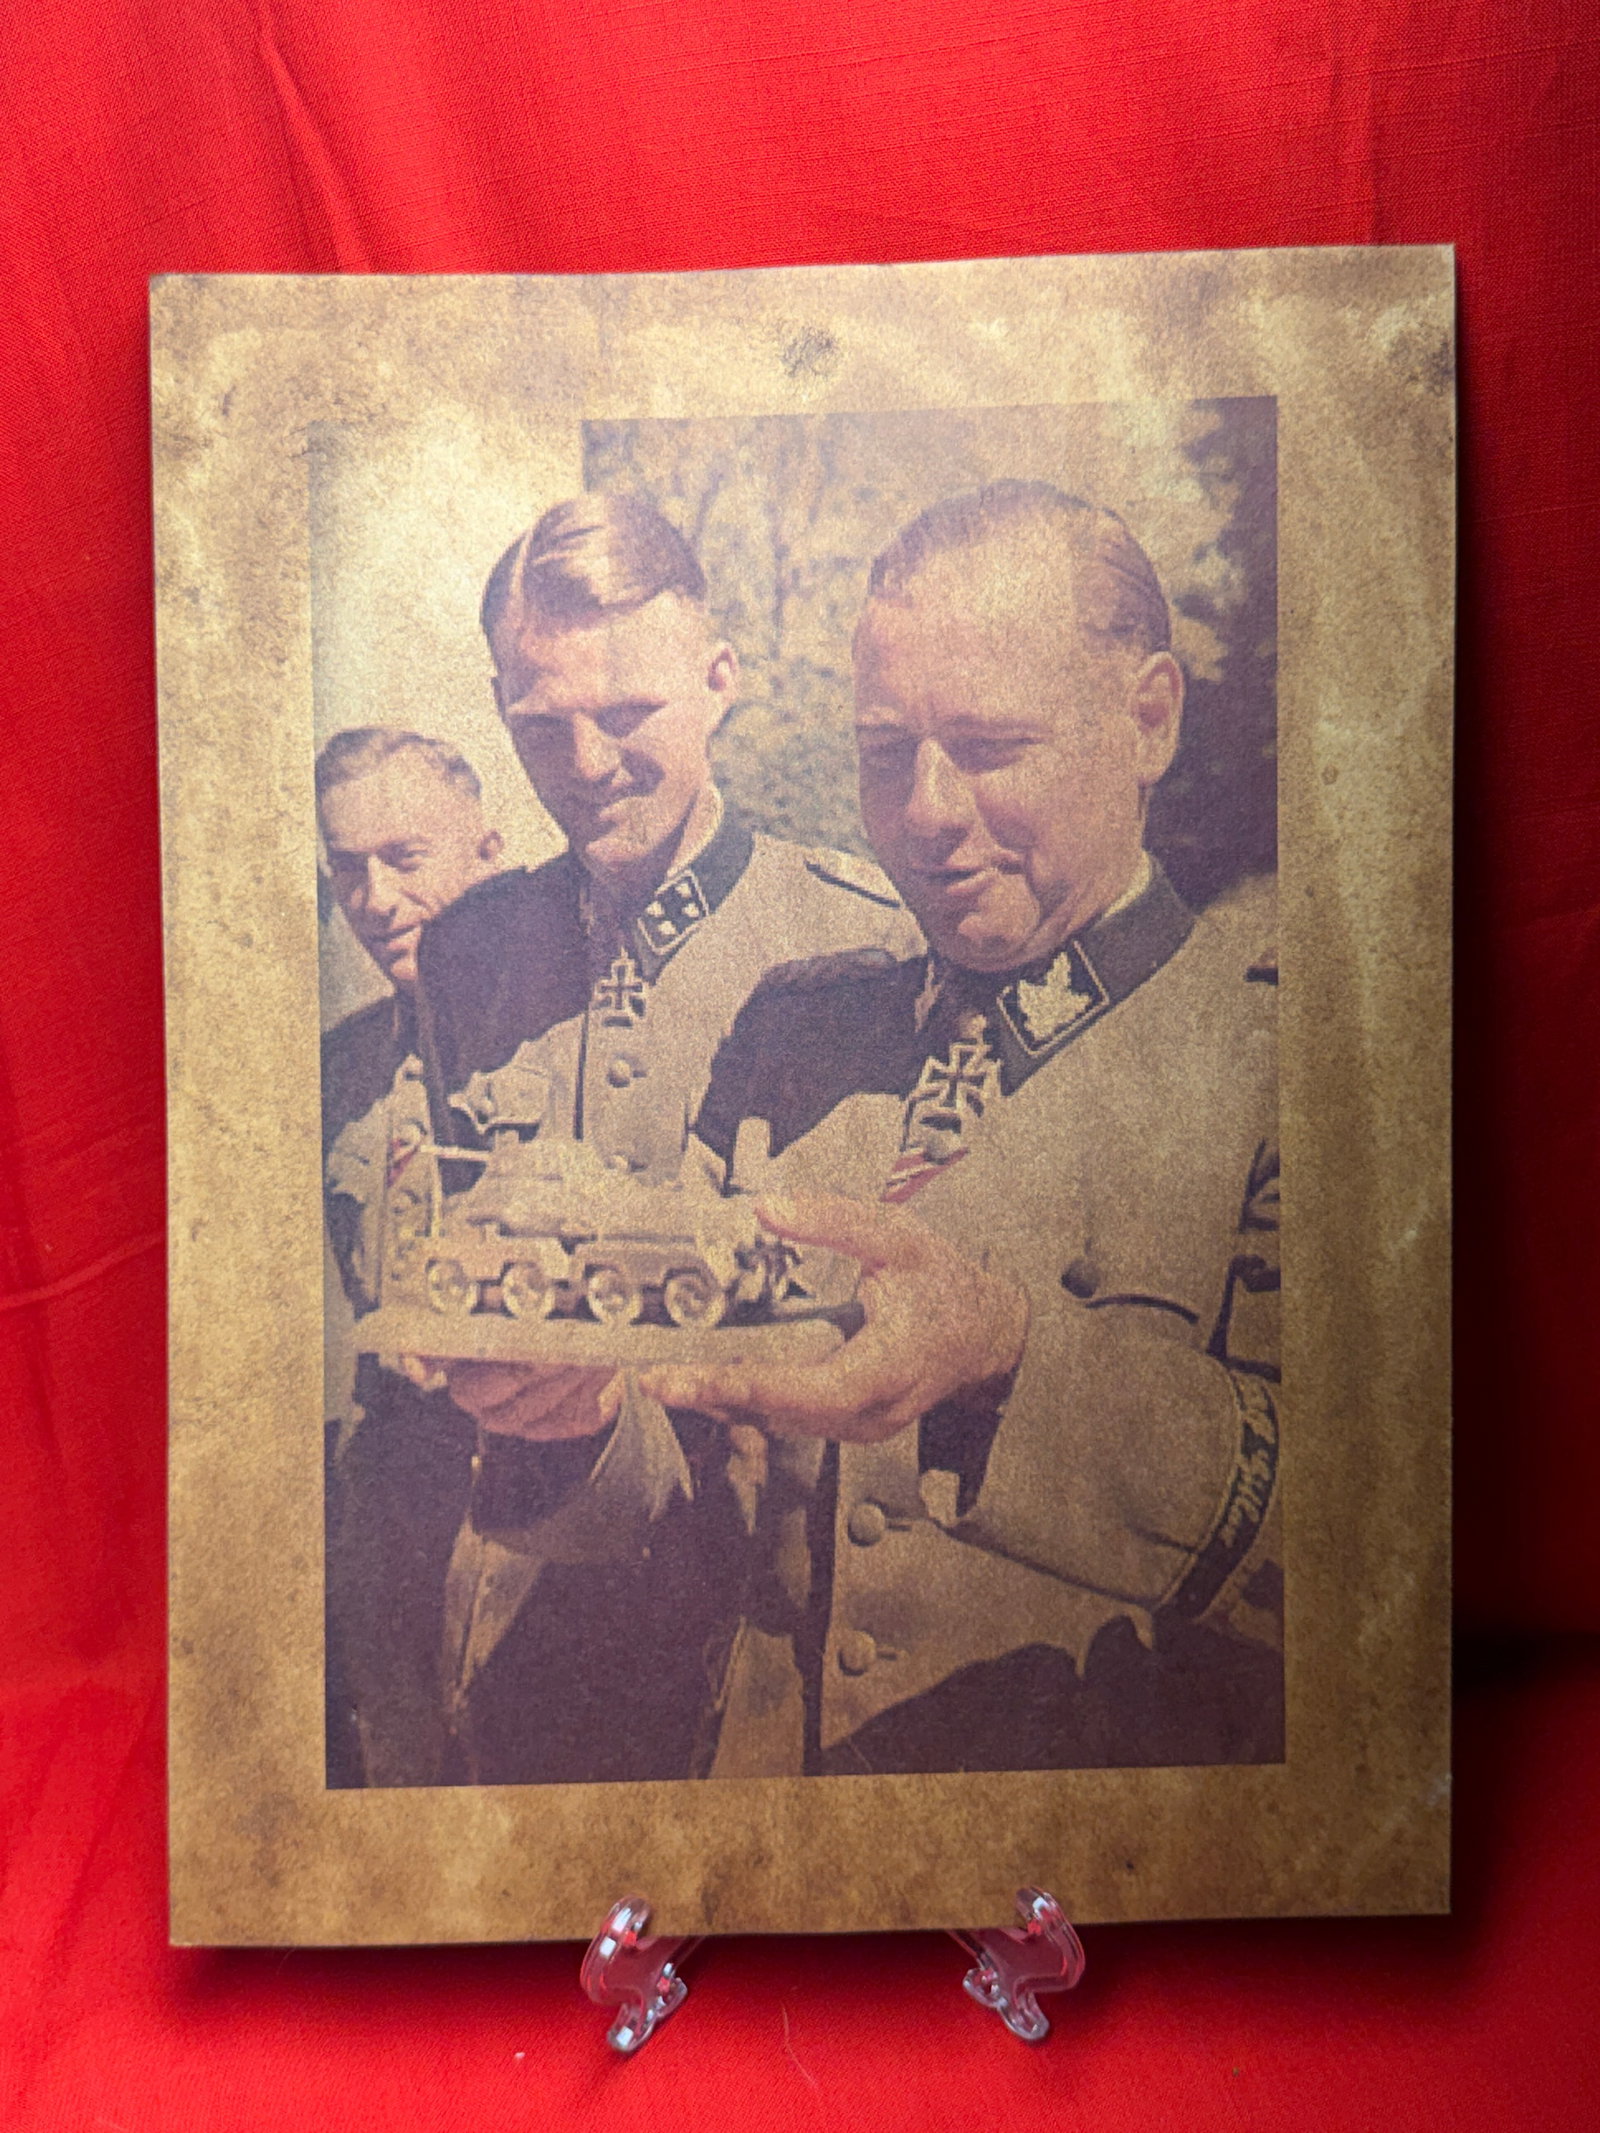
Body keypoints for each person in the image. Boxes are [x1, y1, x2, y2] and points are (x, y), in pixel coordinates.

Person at [641, 479, 1281, 1777]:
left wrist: (1012, 1364)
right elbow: (670, 1463)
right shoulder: (794, 1034)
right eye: (887, 755)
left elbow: (1386, 1553)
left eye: (989, 747)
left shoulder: (1290, 1061)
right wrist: (558, 1417)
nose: (925, 811)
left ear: (1147, 718)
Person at [409, 493, 920, 1784]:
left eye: (628, 713)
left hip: (753, 1668)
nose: (582, 762)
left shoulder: (859, 945)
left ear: (719, 677)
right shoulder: (471, 952)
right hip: (528, 1637)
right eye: (539, 724)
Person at [317, 726, 503, 1785]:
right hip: (390, 1501)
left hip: (549, 1492)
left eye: (405, 858)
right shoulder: (338, 1068)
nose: (376, 897)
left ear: (488, 850)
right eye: (349, 868)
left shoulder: (568, 1042)